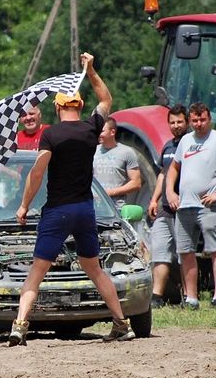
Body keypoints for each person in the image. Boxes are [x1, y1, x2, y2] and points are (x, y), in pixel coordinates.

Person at [11, 52, 133, 346]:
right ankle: (122, 323)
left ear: (56, 106)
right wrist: (90, 69)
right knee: (93, 267)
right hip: (84, 209)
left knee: (37, 270)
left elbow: (38, 173)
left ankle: (19, 325)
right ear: (78, 105)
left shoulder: (51, 134)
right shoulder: (91, 129)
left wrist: (25, 205)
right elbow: (106, 99)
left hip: (58, 211)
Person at [165, 102, 216, 310]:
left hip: (209, 207)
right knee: (185, 251)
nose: (198, 124)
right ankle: (191, 298)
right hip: (184, 207)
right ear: (190, 120)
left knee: (215, 249)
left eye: (202, 120)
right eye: (194, 120)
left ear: (209, 119)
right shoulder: (185, 141)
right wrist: (169, 192)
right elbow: (173, 168)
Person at [147, 105, 189, 307]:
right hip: (164, 207)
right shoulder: (168, 146)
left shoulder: (191, 145)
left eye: (179, 122)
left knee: (184, 252)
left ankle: (189, 297)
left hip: (185, 205)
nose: (176, 126)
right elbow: (163, 174)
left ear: (187, 122)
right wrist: (154, 199)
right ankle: (156, 297)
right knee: (160, 251)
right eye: (172, 122)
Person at [93, 118, 142, 210]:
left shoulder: (127, 152)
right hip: (94, 208)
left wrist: (110, 192)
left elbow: (136, 183)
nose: (99, 134)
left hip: (116, 208)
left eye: (102, 131)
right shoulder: (93, 151)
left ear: (112, 132)